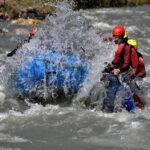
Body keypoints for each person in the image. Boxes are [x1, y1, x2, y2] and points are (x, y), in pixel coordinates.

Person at [102, 25, 146, 112]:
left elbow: (135, 69)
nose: (116, 39)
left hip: (132, 73)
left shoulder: (132, 52)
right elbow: (118, 61)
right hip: (126, 70)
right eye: (115, 37)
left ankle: (138, 105)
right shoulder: (121, 46)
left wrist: (120, 70)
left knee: (128, 86)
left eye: (117, 37)